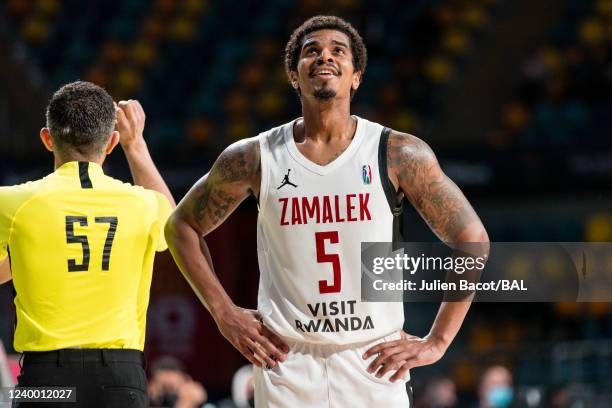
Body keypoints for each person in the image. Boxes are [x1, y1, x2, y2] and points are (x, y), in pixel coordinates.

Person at [165, 15, 488, 407]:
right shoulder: (254, 156)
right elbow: (180, 226)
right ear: (294, 76)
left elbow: (472, 239)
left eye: (339, 51)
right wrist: (223, 312)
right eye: (311, 51)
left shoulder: (397, 152)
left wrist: (437, 341)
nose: (325, 57)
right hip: (286, 357)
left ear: (356, 76)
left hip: (373, 358)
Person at [0, 81, 175, 407]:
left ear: (47, 139)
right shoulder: (140, 204)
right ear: (111, 143)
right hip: (121, 380)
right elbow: (177, 230)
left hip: (45, 381)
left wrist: (28, 253)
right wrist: (135, 145)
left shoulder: (11, 203)